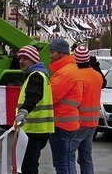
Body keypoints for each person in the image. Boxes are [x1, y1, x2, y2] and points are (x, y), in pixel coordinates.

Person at [13, 45, 54, 174]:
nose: (21, 61)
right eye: (20, 58)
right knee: (31, 165)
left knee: (28, 167)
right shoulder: (39, 75)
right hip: (37, 130)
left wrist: (23, 111)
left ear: (33, 60)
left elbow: (33, 96)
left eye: (25, 58)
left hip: (33, 131)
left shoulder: (36, 76)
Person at [48, 38, 83, 174]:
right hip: (68, 122)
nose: (50, 55)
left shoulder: (64, 72)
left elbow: (51, 96)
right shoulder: (71, 69)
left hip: (60, 124)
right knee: (67, 161)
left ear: (62, 54)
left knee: (61, 164)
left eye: (52, 52)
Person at [69, 45, 103, 174]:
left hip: (78, 121)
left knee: (69, 155)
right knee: (85, 157)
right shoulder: (97, 76)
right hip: (93, 122)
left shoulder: (77, 76)